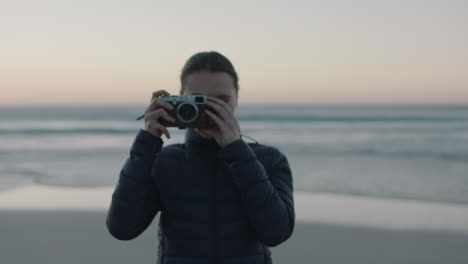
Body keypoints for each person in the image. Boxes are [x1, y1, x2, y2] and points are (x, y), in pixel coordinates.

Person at [106, 51, 295, 264]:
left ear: (237, 99)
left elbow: (277, 233)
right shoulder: (165, 161)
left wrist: (237, 153)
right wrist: (147, 142)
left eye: (221, 101)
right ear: (179, 99)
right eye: (198, 100)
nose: (208, 111)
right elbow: (122, 228)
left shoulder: (269, 160)